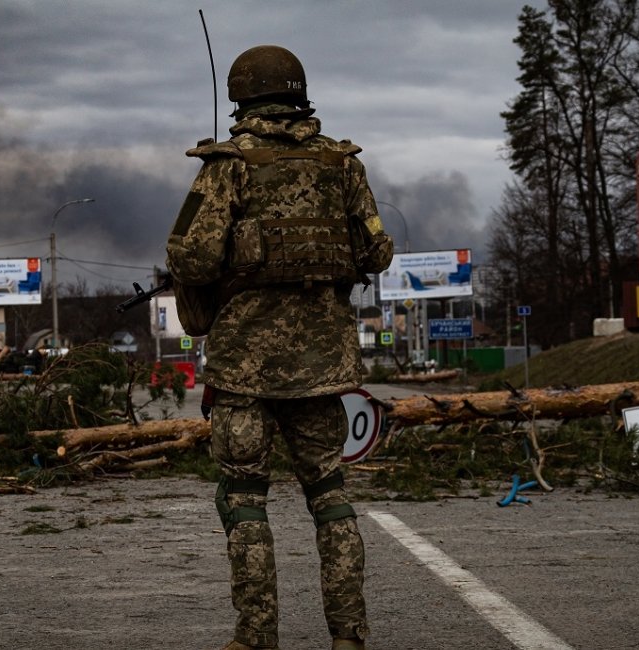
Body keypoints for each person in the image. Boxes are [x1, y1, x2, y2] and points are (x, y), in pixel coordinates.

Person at [165, 44, 394, 650]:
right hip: (322, 366)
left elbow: (190, 254)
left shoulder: (227, 165)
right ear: (299, 93)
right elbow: (375, 252)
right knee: (330, 495)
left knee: (244, 499)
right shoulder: (343, 165)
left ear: (242, 96)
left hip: (244, 365)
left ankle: (255, 638)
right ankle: (349, 635)